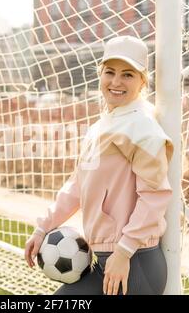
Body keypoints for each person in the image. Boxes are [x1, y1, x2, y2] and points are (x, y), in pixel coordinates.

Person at [24, 36, 174, 295]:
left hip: (134, 263)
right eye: (110, 72)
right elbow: (77, 187)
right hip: (106, 260)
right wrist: (43, 227)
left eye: (127, 74)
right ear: (100, 73)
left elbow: (155, 197)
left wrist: (124, 251)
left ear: (142, 80)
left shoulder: (143, 127)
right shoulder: (100, 127)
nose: (116, 82)